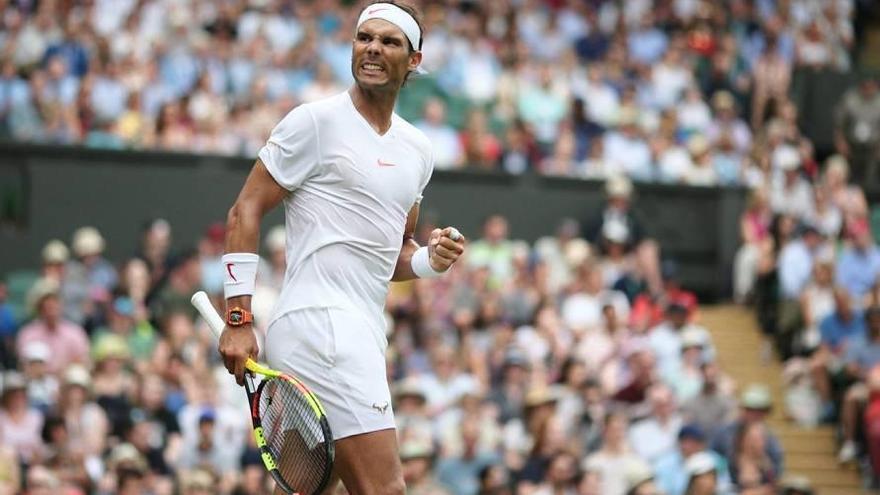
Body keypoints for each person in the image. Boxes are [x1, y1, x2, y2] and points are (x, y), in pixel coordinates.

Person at [217, 3, 466, 494]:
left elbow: (391, 255)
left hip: (356, 330)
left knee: (316, 489)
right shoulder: (314, 121)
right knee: (385, 488)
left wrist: (429, 262)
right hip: (321, 324)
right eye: (363, 37)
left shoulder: (418, 150)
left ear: (414, 60)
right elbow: (243, 212)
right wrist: (238, 320)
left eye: (389, 41)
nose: (372, 48)